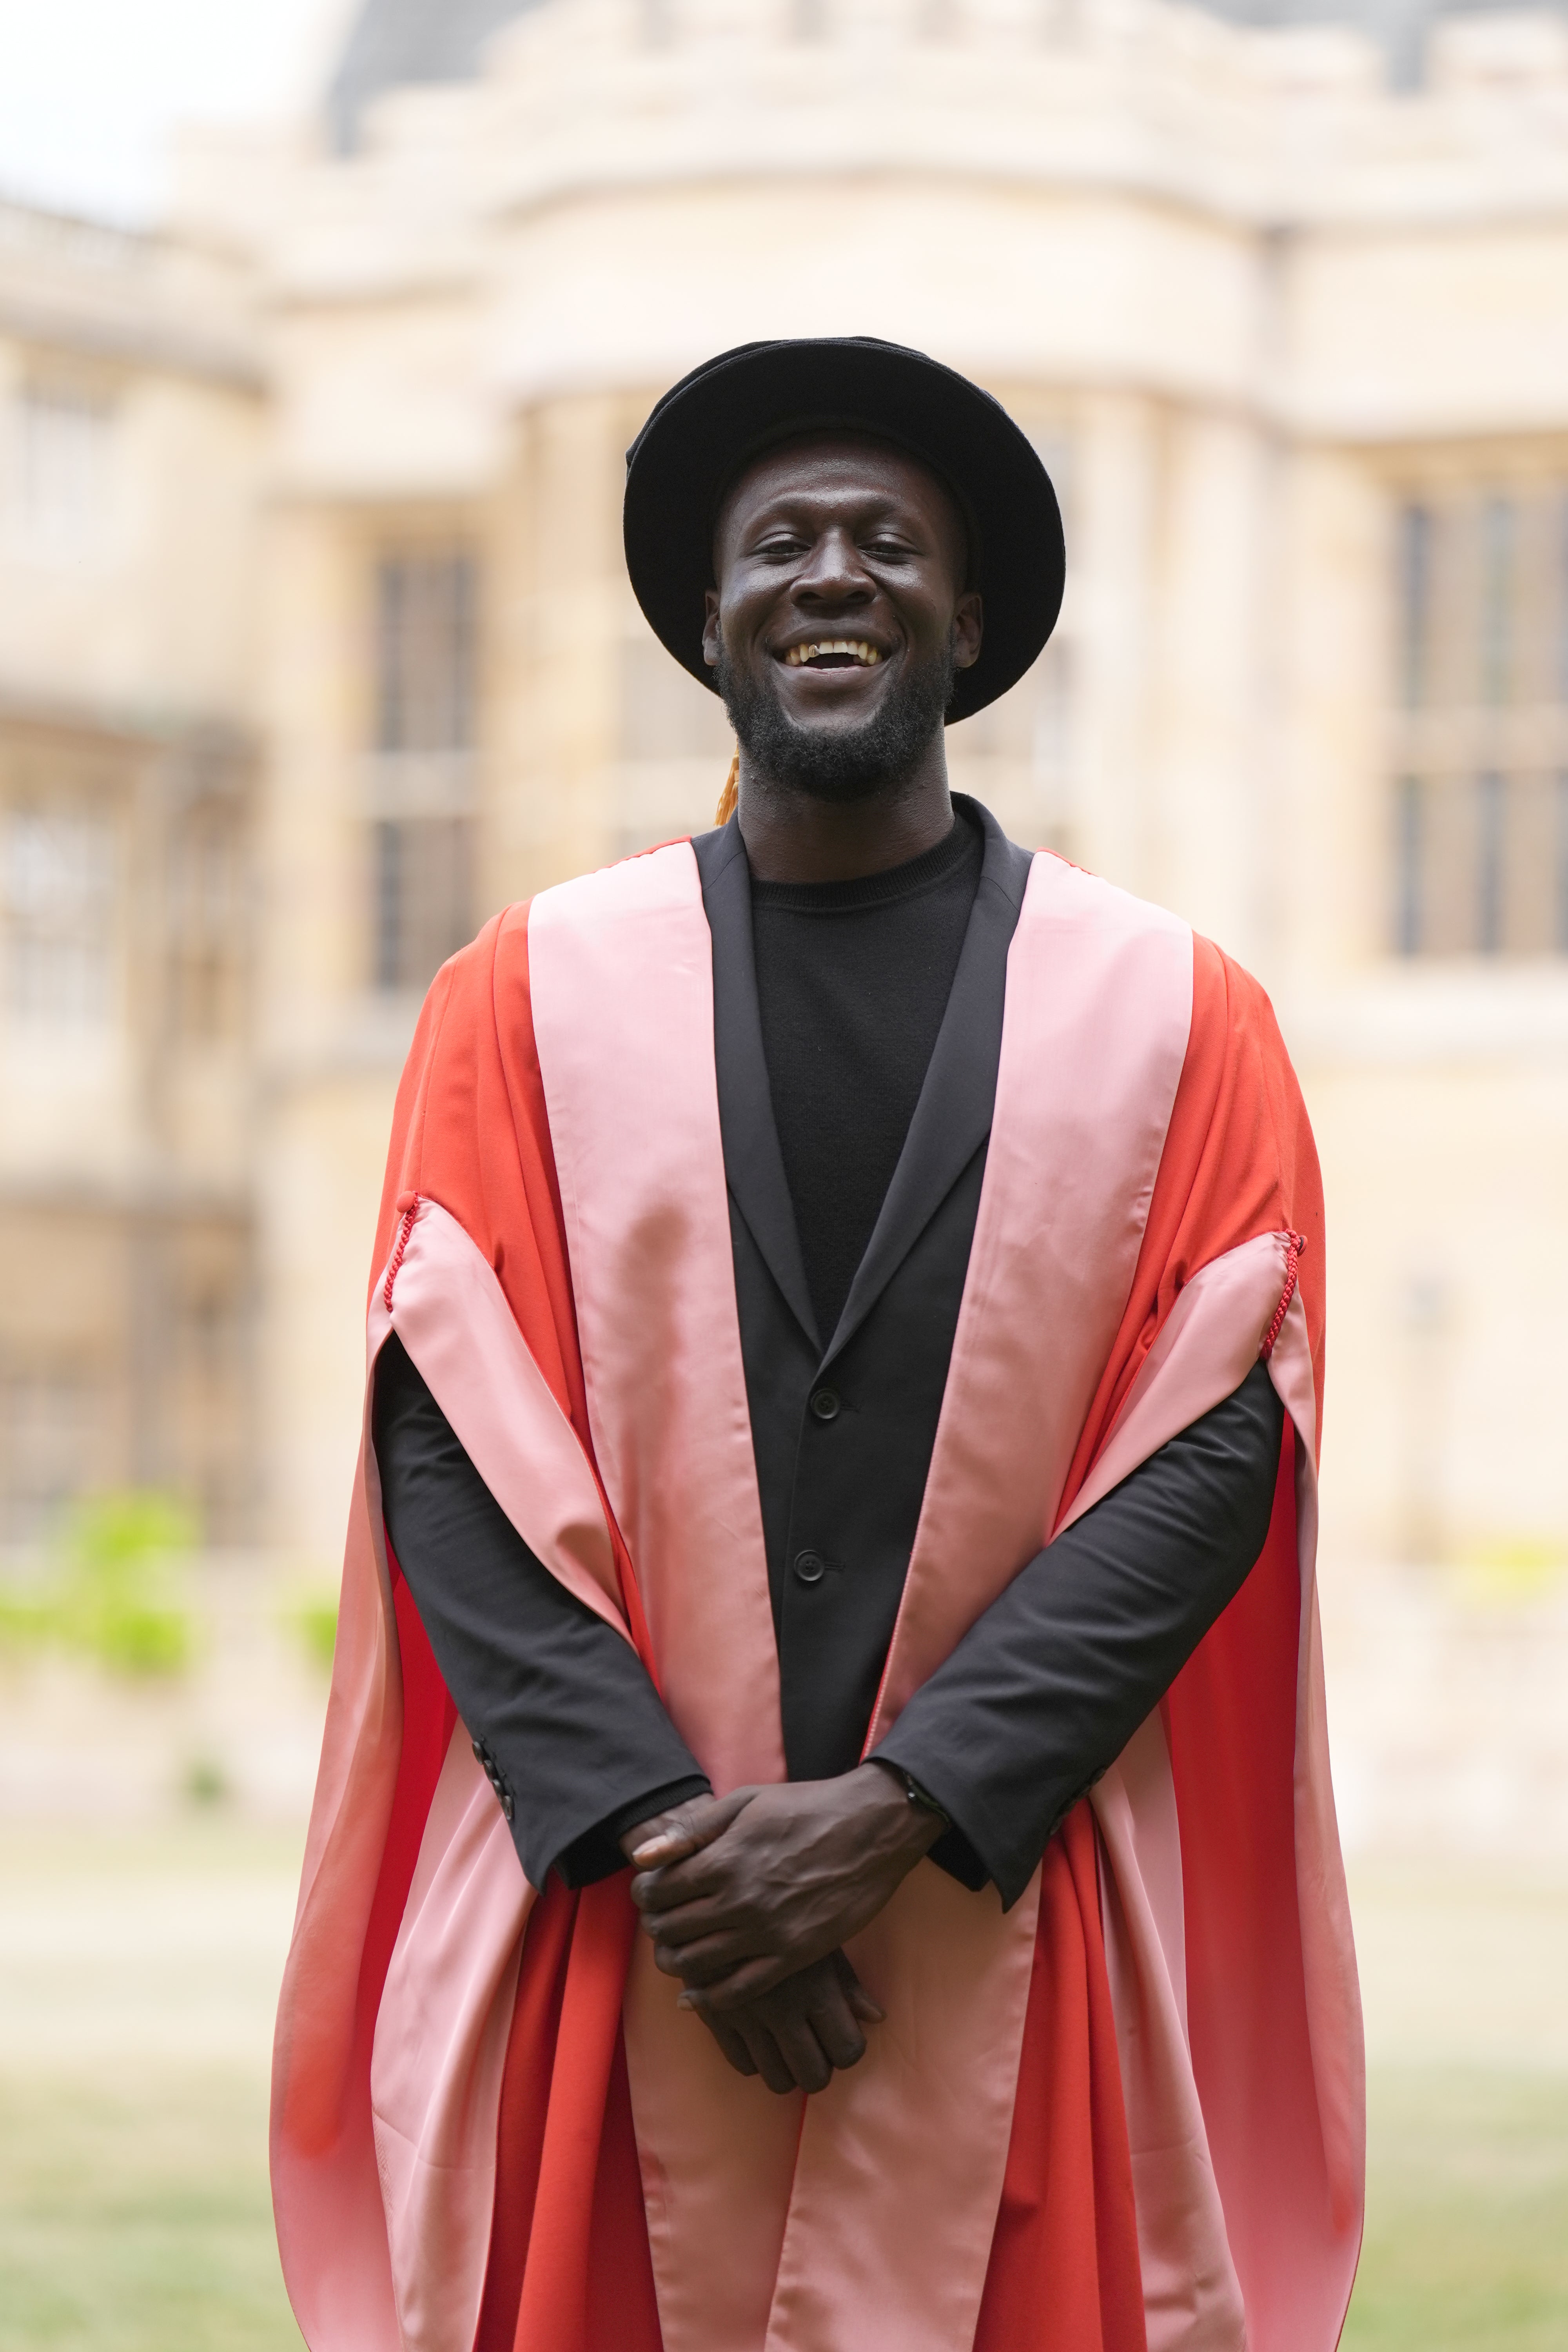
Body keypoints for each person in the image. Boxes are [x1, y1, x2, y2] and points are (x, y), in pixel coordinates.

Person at [272, 338, 1363, 2352]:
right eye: (783, 544)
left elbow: (1218, 1449)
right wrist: (681, 1849)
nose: (833, 574)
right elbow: (446, 1422)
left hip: (990, 1917)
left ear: (969, 622)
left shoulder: (1178, 1016)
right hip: (625, 1929)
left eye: (888, 544)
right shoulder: (519, 999)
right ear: (709, 624)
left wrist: (896, 1811)